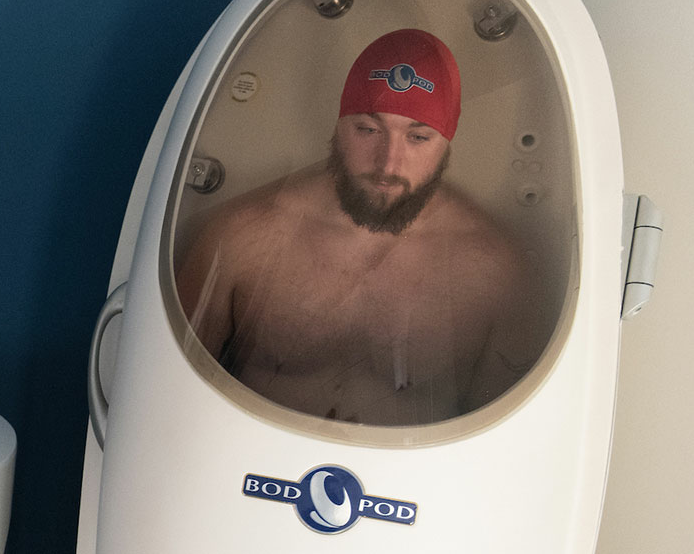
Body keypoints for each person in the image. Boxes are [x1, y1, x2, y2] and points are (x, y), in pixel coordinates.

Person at [175, 28, 540, 426]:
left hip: (410, 485)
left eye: (418, 137)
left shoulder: (493, 269)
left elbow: (510, 431)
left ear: (446, 143)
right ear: (339, 126)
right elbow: (170, 392)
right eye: (368, 130)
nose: (388, 164)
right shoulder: (243, 236)